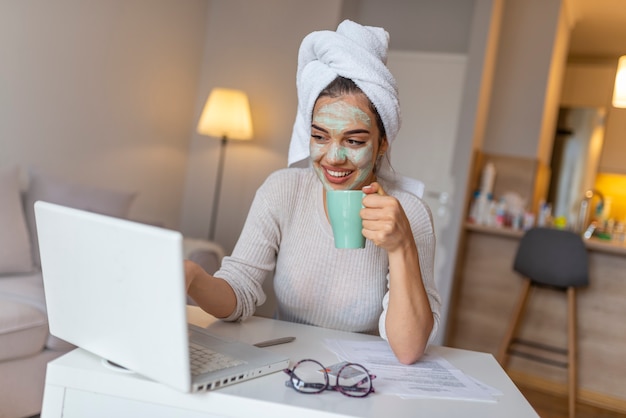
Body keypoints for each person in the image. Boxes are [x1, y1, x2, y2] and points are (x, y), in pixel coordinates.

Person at [185, 20, 440, 365]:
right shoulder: (283, 190)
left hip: (361, 382)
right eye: (320, 136)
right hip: (284, 369)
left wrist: (402, 246)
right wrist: (195, 279)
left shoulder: (409, 213)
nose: (333, 157)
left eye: (354, 140)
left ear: (382, 143)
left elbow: (409, 350)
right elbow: (239, 293)